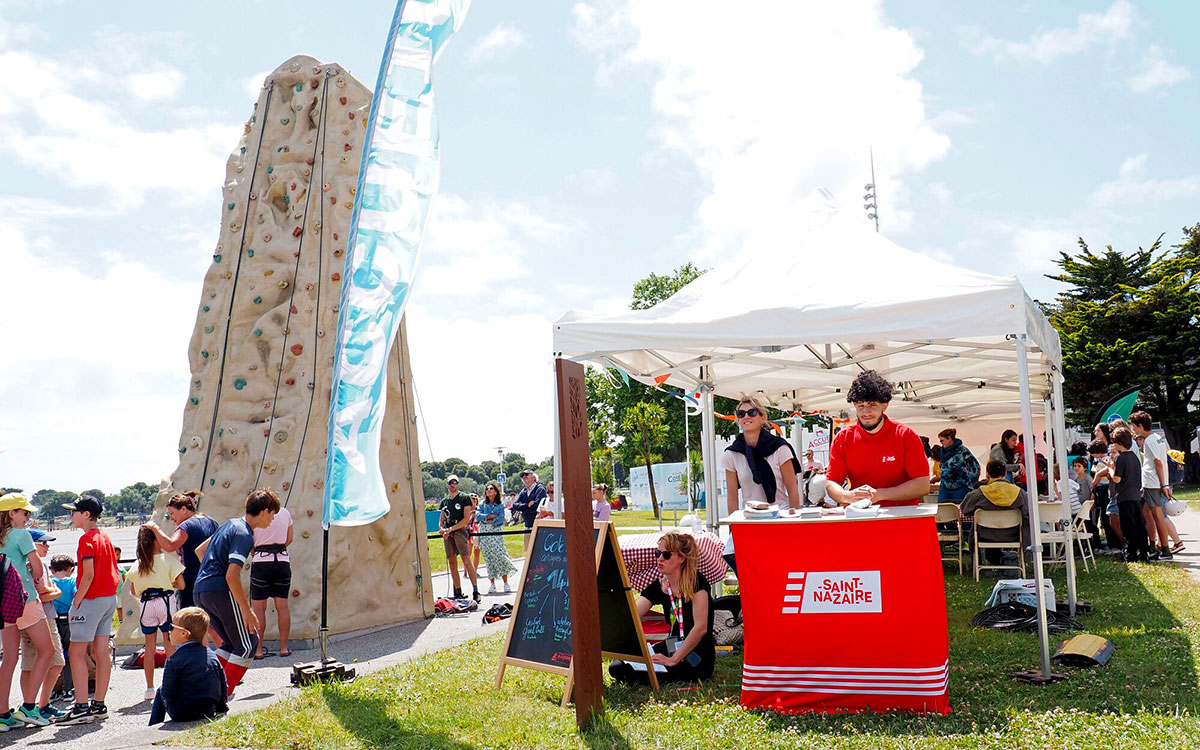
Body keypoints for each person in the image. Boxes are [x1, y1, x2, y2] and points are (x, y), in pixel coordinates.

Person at [193, 487, 280, 697]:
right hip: (220, 590)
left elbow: (200, 551)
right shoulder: (245, 534)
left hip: (201, 590)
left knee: (230, 644)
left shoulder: (229, 525)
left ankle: (207, 690)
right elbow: (232, 575)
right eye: (273, 514)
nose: (272, 520)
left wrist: (210, 574)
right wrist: (246, 609)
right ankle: (221, 695)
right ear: (265, 511)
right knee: (249, 644)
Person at [609, 531, 714, 685]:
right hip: (672, 646)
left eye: (666, 555)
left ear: (681, 558)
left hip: (696, 654)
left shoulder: (696, 583)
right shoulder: (660, 585)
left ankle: (647, 675)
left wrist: (673, 660)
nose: (659, 559)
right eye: (657, 553)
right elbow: (632, 616)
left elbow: (700, 628)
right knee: (617, 666)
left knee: (639, 673)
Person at [825, 371, 931, 507]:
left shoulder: (905, 435)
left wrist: (879, 494)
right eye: (860, 405)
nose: (866, 412)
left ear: (884, 406)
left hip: (902, 518)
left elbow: (922, 485)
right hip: (861, 516)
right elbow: (831, 482)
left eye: (872, 405)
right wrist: (846, 496)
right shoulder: (843, 438)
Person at [59, 494, 121, 725]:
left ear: (86, 515)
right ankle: (99, 704)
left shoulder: (86, 540)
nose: (70, 516)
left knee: (76, 652)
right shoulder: (104, 536)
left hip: (92, 599)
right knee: (101, 651)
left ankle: (81, 706)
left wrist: (77, 601)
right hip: (108, 599)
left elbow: (88, 575)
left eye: (73, 512)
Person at [0, 493, 56, 729]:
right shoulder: (22, 535)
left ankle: (3, 714)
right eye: (25, 513)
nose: (28, 517)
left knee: (9, 657)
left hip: (4, 601)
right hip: (25, 599)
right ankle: (29, 707)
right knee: (47, 650)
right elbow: (38, 571)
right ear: (11, 513)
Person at [126, 526, 186, 700]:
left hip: (146, 605)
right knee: (170, 642)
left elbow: (134, 590)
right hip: (165, 602)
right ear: (156, 540)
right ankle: (175, 683)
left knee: (149, 646)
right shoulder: (167, 559)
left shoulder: (138, 564)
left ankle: (150, 688)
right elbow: (181, 585)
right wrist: (167, 583)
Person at [148, 607, 228, 725]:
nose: (169, 631)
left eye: (172, 628)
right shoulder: (211, 655)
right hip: (209, 710)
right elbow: (223, 684)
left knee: (160, 690)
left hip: (182, 713)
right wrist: (221, 706)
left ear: (184, 633)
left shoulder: (174, 660)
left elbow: (167, 692)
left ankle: (153, 725)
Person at [722, 395, 801, 513]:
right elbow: (732, 498)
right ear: (738, 420)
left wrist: (795, 522)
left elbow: (793, 491)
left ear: (762, 418)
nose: (746, 416)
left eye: (752, 412)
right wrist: (733, 527)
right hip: (750, 518)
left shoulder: (780, 448)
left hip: (780, 515)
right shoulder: (731, 454)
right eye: (741, 414)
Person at [19, 529, 67, 722]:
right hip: (40, 618)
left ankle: (39, 705)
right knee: (35, 663)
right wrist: (54, 592)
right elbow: (43, 594)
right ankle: (33, 706)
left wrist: (52, 591)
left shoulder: (42, 566)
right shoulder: (31, 566)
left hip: (46, 616)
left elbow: (50, 590)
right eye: (43, 543)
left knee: (53, 663)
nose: (47, 546)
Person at [143, 490, 219, 610]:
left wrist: (155, 528)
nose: (171, 518)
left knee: (189, 618)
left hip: (192, 580)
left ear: (184, 509)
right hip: (212, 578)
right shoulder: (211, 522)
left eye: (172, 513)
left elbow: (170, 546)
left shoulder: (186, 526)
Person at [1130, 411, 1182, 558]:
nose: (1133, 429)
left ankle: (1165, 550)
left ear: (1140, 426)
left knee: (1158, 515)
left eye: (1134, 426)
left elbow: (1158, 463)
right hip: (1154, 482)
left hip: (1153, 483)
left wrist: (1164, 485)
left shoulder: (1150, 441)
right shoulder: (1158, 438)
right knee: (1147, 512)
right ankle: (1154, 545)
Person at [961, 460, 1030, 565]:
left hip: (985, 534)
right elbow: (1027, 513)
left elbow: (965, 509)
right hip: (1013, 534)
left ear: (988, 474)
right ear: (1005, 473)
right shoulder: (1020, 493)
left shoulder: (979, 493)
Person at [250, 504, 294, 659]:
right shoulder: (285, 512)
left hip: (261, 560)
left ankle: (258, 650)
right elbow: (289, 538)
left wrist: (255, 549)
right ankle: (284, 648)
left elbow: (250, 539)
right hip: (282, 560)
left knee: (259, 608)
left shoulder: (255, 512)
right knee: (282, 606)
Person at [1109, 427, 1150, 563]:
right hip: (1136, 495)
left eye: (1114, 442)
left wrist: (1110, 469)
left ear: (1119, 443)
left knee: (1128, 525)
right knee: (1139, 524)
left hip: (1124, 495)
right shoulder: (1135, 456)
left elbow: (1117, 479)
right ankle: (1144, 552)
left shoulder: (1120, 458)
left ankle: (1132, 553)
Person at [438, 475, 480, 603]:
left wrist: (451, 529)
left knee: (466, 559)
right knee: (451, 561)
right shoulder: (444, 501)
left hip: (460, 531)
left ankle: (475, 590)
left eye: (455, 482)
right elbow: (441, 520)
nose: (452, 485)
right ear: (447, 485)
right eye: (450, 482)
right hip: (448, 533)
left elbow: (466, 519)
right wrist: (442, 529)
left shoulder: (464, 498)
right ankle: (458, 591)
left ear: (458, 484)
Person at [475, 482, 516, 594]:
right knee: (489, 558)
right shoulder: (482, 504)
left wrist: (489, 520)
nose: (489, 490)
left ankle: (505, 582)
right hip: (485, 533)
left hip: (496, 532)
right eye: (487, 489)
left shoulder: (499, 505)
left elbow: (501, 519)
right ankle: (492, 583)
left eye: (491, 488)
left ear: (496, 491)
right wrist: (490, 516)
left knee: (500, 555)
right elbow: (478, 516)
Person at [48, 554, 76, 703]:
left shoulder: (50, 582)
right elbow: (77, 596)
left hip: (53, 620)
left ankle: (52, 690)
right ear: (70, 569)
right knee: (69, 654)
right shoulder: (72, 581)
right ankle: (67, 690)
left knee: (54, 655)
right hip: (68, 620)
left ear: (52, 570)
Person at [937, 428, 980, 502]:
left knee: (959, 510)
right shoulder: (943, 452)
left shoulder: (963, 452)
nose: (941, 443)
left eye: (942, 441)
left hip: (960, 487)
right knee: (941, 509)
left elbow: (975, 468)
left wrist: (970, 484)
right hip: (944, 486)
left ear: (949, 438)